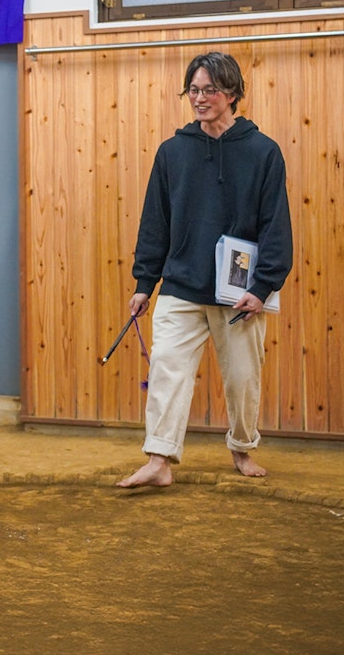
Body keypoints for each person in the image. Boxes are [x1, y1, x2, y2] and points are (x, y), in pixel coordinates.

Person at [117, 52, 292, 489]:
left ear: (232, 93)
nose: (199, 98)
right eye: (193, 90)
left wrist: (265, 284)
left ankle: (242, 446)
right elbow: (155, 221)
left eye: (209, 90)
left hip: (241, 294)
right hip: (180, 285)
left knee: (243, 378)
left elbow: (276, 224)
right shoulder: (172, 152)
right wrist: (144, 282)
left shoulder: (263, 152)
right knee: (167, 370)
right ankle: (159, 458)